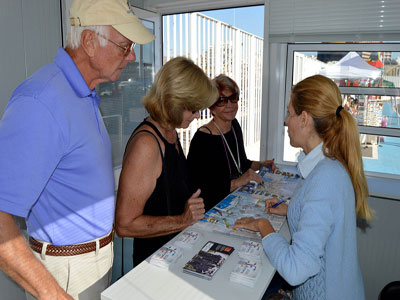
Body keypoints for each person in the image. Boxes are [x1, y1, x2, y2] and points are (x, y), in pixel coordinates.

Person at [0, 0, 154, 299]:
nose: (132, 56)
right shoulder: (41, 102)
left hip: (96, 257)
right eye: (125, 46)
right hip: (67, 271)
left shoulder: (84, 93)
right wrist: (54, 295)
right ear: (89, 42)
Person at [234, 75, 373, 300]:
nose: (286, 121)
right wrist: (291, 209)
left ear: (304, 119)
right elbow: (325, 219)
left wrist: (264, 227)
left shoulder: (325, 177)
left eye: (290, 113)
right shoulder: (327, 165)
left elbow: (296, 269)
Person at [115, 57, 218, 266]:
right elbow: (124, 225)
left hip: (174, 256)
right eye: (193, 109)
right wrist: (182, 220)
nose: (197, 116)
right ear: (174, 101)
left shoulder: (170, 131)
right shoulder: (147, 145)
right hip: (153, 266)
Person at [187, 74, 274, 212]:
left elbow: (241, 163)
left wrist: (261, 164)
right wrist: (239, 182)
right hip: (212, 210)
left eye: (233, 98)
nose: (230, 105)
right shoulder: (202, 140)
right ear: (211, 107)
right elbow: (200, 189)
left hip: (236, 201)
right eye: (222, 100)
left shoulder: (234, 126)